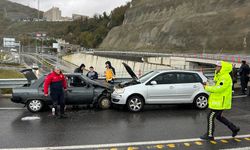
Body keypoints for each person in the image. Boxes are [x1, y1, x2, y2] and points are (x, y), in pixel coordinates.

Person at [200, 61, 240, 140]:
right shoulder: (218, 75)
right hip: (217, 101)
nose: (216, 67)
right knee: (218, 117)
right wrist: (207, 83)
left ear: (223, 68)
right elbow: (215, 85)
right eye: (216, 66)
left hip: (220, 102)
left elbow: (219, 88)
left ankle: (210, 135)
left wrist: (206, 87)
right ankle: (234, 128)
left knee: (210, 117)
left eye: (218, 66)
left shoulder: (225, 77)